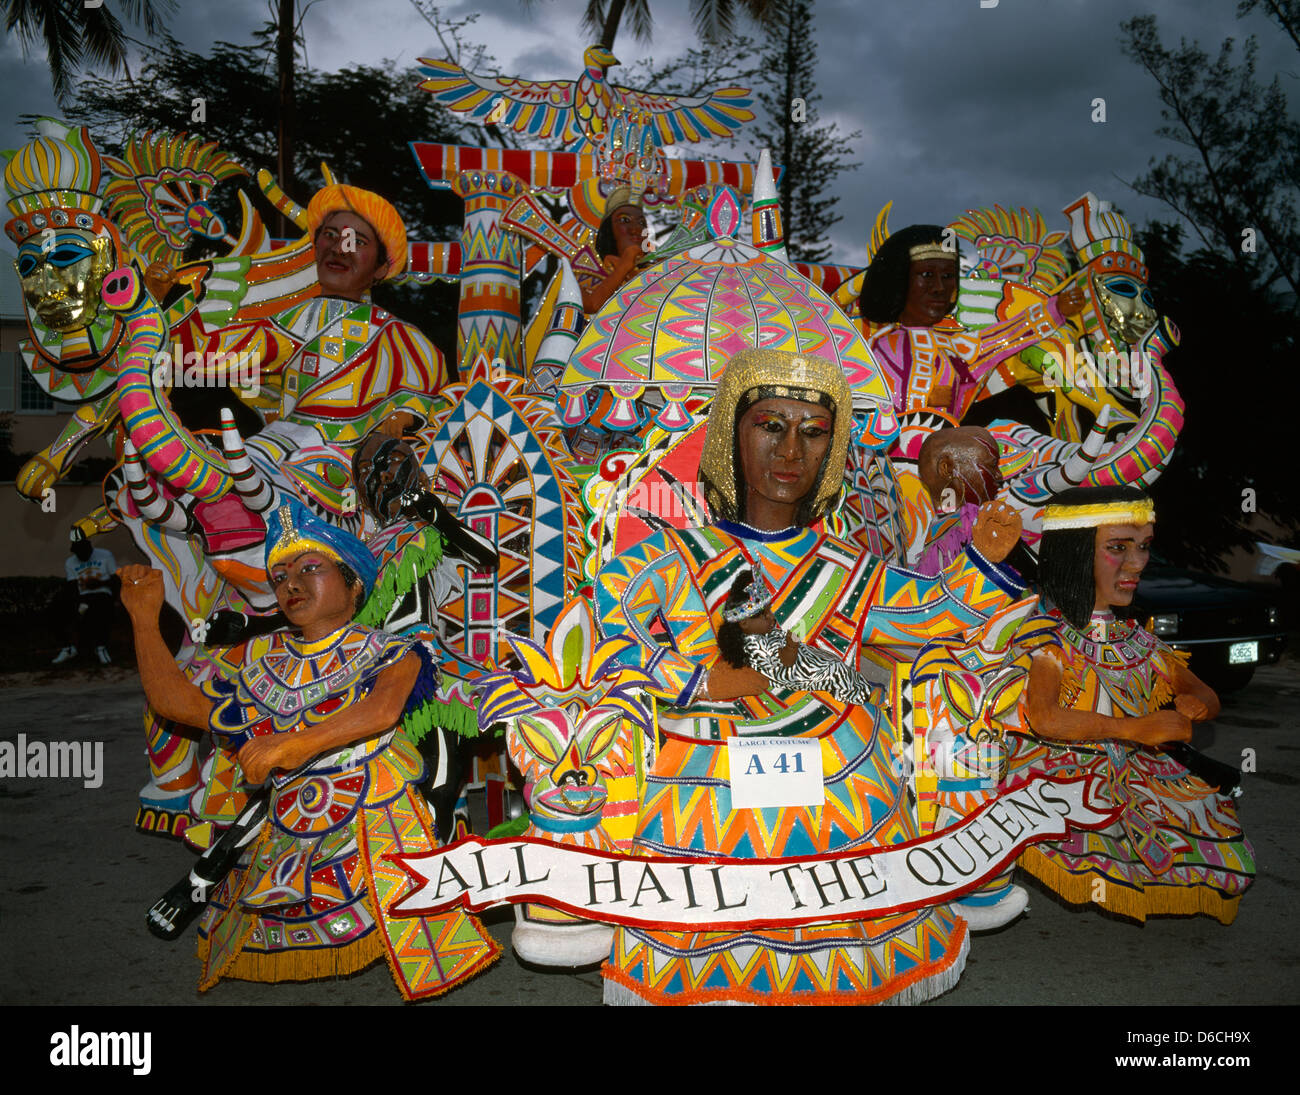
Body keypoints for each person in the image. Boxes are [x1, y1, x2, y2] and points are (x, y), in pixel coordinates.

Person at [594, 346, 1029, 1005]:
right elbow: (605, 651)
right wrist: (706, 684)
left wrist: (984, 558)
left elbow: (937, 616)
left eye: (813, 430)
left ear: (833, 447)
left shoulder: (854, 568)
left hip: (843, 800)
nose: (790, 448)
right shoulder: (667, 556)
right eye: (771, 424)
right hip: (707, 804)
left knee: (838, 977)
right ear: (731, 434)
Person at [118, 498, 498, 998]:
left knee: (421, 937)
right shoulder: (261, 664)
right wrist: (144, 620)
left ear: (353, 582)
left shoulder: (394, 648)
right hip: (287, 819)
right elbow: (184, 706)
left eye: (309, 568)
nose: (290, 584)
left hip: (377, 817)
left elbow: (381, 712)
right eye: (279, 577)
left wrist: (294, 745)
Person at [1010, 486, 1254, 922]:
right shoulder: (1047, 637)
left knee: (1200, 805)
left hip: (1138, 762)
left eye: (1143, 547)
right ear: (1075, 553)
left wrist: (1196, 704)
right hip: (1066, 764)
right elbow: (1045, 719)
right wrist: (1134, 729)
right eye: (1118, 548)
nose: (1138, 563)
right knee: (1110, 815)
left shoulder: (1137, 639)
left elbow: (1206, 694)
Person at [858, 224, 1085, 419]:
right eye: (927, 275)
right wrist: (922, 401)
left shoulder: (957, 346)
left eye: (948, 276)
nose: (939, 288)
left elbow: (1008, 335)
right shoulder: (879, 348)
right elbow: (868, 407)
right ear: (900, 281)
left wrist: (1055, 308)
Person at [716, 569, 881, 706]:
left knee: (830, 659)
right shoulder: (755, 646)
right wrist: (791, 646)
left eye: (770, 611)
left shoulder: (761, 633)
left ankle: (858, 686)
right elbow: (785, 663)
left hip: (799, 660)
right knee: (834, 669)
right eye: (765, 615)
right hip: (792, 673)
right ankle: (860, 697)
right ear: (744, 623)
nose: (772, 617)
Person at [52, 529, 117, 665]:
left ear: (89, 548)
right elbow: (72, 586)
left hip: (102, 593)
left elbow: (116, 580)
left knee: (99, 608)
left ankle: (101, 648)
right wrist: (78, 603)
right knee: (57, 609)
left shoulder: (105, 555)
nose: (81, 556)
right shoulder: (70, 562)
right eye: (78, 554)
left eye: (83, 553)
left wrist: (100, 583)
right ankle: (68, 648)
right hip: (83, 596)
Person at [580, 187, 649, 315]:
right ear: (609, 230)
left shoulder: (656, 271)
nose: (635, 229)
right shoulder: (589, 270)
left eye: (641, 222)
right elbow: (591, 305)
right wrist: (624, 266)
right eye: (624, 220)